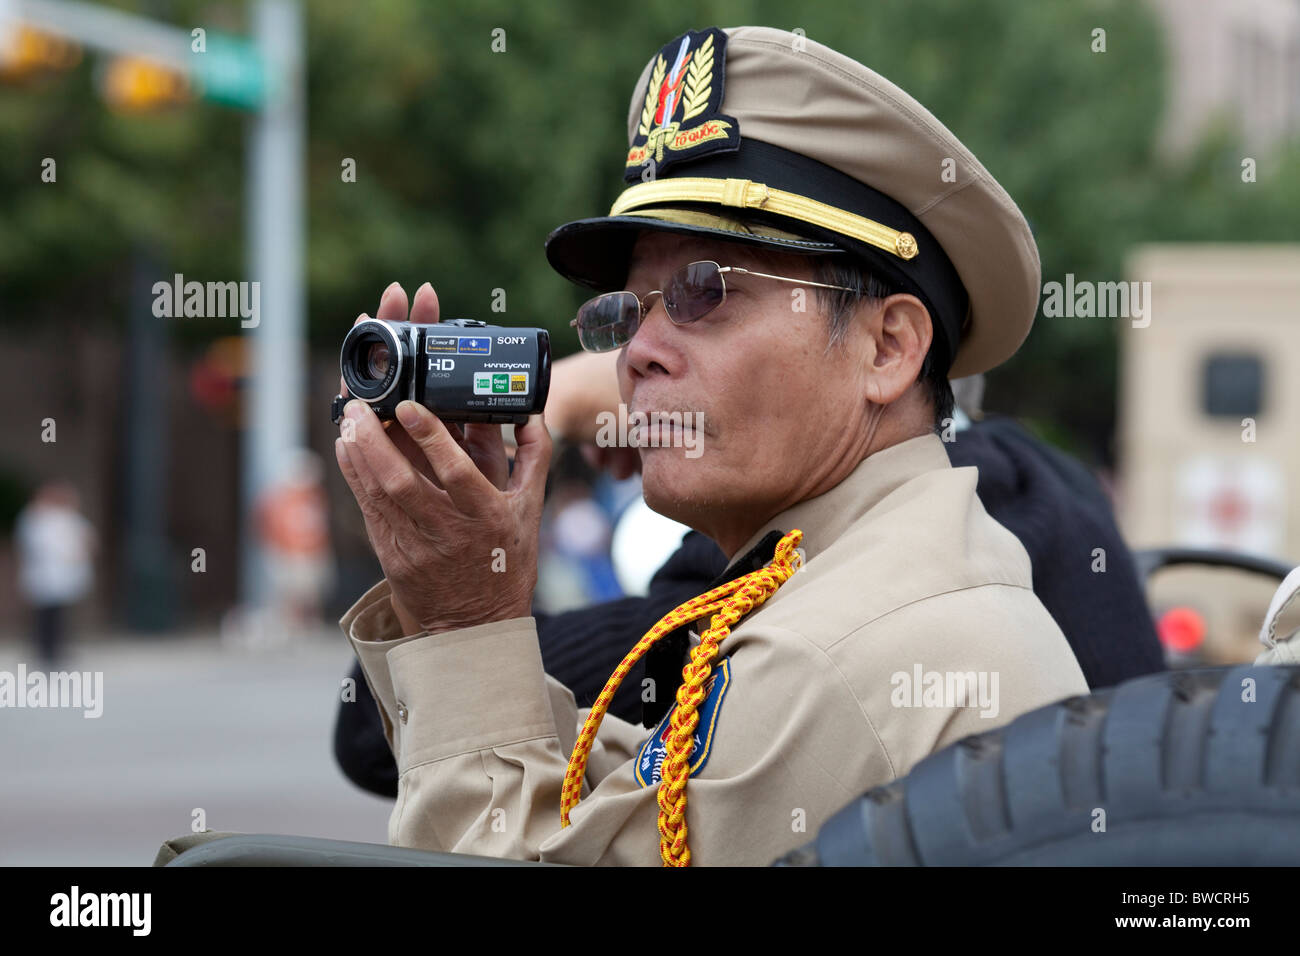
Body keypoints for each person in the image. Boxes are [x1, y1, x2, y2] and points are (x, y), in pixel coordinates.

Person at [333, 26, 1088, 865]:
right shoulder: (855, 584)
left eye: (703, 292)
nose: (636, 353)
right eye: (627, 311)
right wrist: (452, 612)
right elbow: (629, 805)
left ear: (888, 348)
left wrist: (465, 617)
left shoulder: (834, 649)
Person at [15, 480, 96, 667]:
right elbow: (41, 545)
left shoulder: (64, 517)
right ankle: (44, 651)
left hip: (59, 575)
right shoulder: (35, 517)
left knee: (57, 614)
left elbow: (86, 538)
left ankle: (55, 649)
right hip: (45, 573)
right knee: (45, 614)